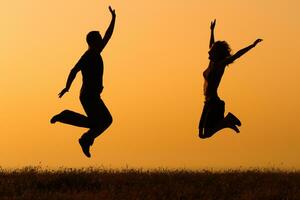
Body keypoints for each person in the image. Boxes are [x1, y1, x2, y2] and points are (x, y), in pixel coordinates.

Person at [50, 6, 116, 157]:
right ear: (93, 42)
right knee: (105, 120)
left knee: (96, 122)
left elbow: (108, 36)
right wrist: (67, 87)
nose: (102, 41)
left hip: (91, 95)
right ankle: (84, 137)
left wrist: (113, 18)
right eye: (99, 39)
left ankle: (68, 119)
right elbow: (74, 70)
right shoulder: (89, 55)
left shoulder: (93, 53)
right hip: (88, 96)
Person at [199, 19, 262, 139]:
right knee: (201, 134)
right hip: (208, 102)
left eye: (211, 51)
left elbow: (237, 55)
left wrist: (252, 46)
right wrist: (212, 31)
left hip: (214, 103)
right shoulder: (212, 62)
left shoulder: (219, 65)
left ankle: (227, 121)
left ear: (216, 54)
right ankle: (226, 122)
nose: (208, 50)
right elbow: (212, 44)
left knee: (205, 134)